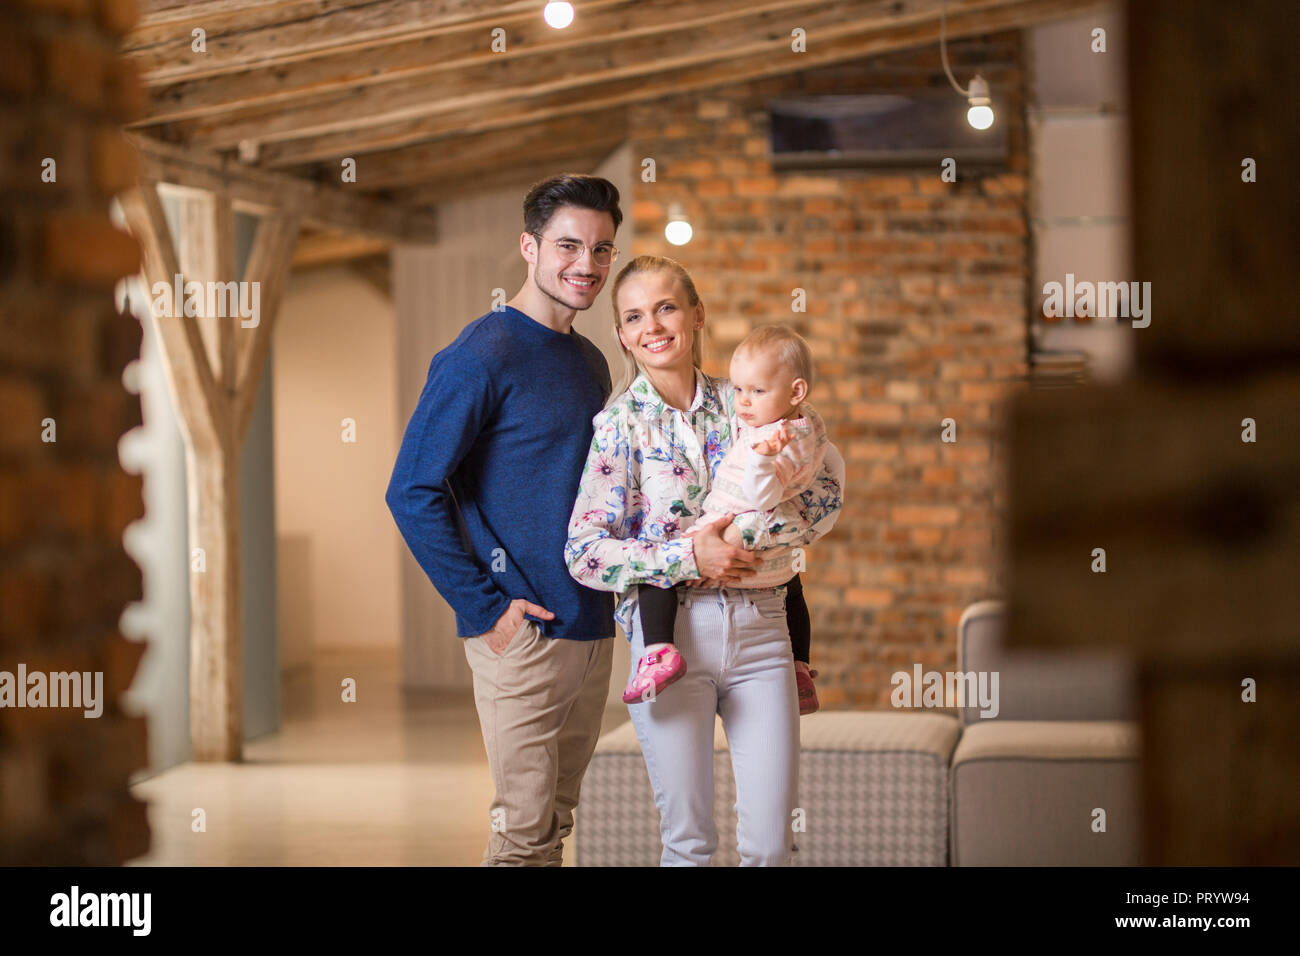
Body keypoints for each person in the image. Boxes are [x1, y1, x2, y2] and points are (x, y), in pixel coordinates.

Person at [566, 255, 844, 866]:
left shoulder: (750, 401)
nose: (653, 326)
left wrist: (754, 538)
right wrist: (689, 554)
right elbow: (585, 552)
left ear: (696, 315)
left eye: (666, 307)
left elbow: (823, 498)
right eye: (634, 316)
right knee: (689, 844)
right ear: (620, 334)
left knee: (770, 844)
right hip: (668, 640)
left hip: (764, 631)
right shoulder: (617, 427)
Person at [386, 173, 629, 866]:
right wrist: (485, 609)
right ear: (528, 246)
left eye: (602, 249)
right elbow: (412, 489)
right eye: (568, 245)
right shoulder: (480, 354)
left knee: (555, 818)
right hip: (522, 631)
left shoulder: (588, 360)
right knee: (523, 831)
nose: (587, 265)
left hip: (591, 623)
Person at [627, 323, 831, 714]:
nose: (742, 403)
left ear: (796, 391)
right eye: (737, 390)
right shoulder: (805, 425)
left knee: (660, 568)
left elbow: (763, 495)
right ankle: (800, 664)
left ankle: (658, 650)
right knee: (793, 586)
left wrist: (763, 459)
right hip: (771, 565)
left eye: (757, 391)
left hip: (726, 524)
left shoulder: (774, 442)